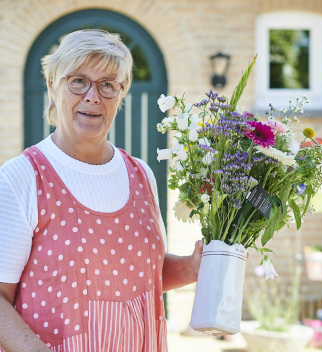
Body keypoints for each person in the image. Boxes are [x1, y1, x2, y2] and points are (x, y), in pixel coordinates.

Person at [0, 29, 203, 352]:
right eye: (78, 81)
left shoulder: (141, 174)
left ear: (121, 94)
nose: (93, 96)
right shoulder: (21, 178)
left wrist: (191, 268)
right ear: (53, 85)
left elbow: (138, 275)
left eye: (108, 84)